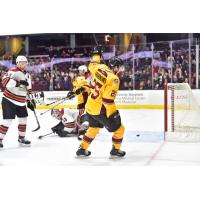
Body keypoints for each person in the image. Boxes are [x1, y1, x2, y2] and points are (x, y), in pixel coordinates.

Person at [76, 46, 126, 157]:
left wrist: (96, 52)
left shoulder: (99, 67)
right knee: (120, 129)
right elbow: (107, 100)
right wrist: (113, 113)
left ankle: (82, 148)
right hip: (100, 110)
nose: (121, 71)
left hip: (89, 106)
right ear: (116, 67)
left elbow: (93, 62)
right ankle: (115, 150)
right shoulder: (114, 79)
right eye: (120, 68)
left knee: (93, 128)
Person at [0, 55, 36, 148]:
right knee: (7, 121)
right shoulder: (12, 71)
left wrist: (30, 100)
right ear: (17, 63)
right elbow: (4, 83)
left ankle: (21, 138)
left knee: (23, 120)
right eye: (21, 62)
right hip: (9, 100)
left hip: (21, 101)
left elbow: (28, 89)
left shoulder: (27, 75)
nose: (23, 64)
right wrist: (18, 83)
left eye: (24, 62)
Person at [66, 65, 90, 137]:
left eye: (71, 73)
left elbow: (87, 87)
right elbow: (76, 90)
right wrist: (72, 94)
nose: (70, 74)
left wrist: (80, 89)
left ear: (75, 74)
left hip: (84, 101)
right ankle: (80, 129)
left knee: (81, 116)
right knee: (79, 116)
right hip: (81, 101)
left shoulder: (80, 78)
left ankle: (83, 130)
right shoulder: (74, 81)